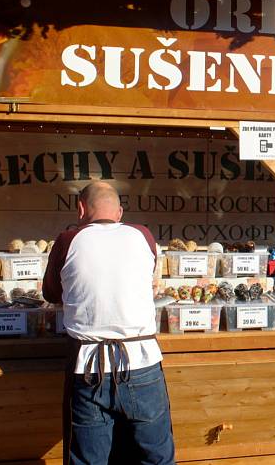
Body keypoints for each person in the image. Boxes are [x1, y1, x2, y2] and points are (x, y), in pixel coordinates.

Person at [42, 181, 175, 465]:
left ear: (81, 209)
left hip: (89, 367)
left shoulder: (67, 240)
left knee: (89, 461)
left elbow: (51, 293)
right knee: (157, 458)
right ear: (120, 213)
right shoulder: (143, 235)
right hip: (143, 363)